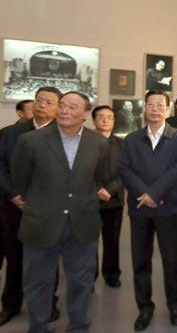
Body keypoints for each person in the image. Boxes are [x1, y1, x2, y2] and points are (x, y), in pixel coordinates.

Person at [11, 91, 110, 333]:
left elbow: (100, 178)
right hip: (41, 221)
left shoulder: (98, 142)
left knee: (81, 281)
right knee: (38, 282)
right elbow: (20, 178)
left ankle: (78, 325)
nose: (64, 110)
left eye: (72, 107)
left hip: (82, 222)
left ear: (85, 114)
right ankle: (39, 327)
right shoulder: (31, 140)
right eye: (62, 105)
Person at [118, 90, 177, 331]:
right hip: (140, 210)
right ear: (144, 109)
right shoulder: (131, 139)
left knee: (172, 261)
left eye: (160, 104)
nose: (155, 108)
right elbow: (124, 170)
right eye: (150, 104)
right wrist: (144, 195)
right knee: (140, 262)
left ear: (167, 109)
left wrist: (155, 194)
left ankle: (176, 305)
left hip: (170, 209)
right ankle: (144, 307)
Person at [0, 87, 62, 327]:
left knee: (47, 259)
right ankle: (11, 305)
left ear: (58, 108)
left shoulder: (64, 134)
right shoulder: (11, 133)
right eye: (39, 100)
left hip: (50, 210)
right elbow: (1, 166)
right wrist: (13, 195)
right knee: (14, 257)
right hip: (15, 207)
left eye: (49, 102)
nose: (42, 105)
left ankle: (48, 303)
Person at [91, 105, 124, 288]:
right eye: (101, 117)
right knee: (89, 242)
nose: (105, 120)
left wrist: (110, 190)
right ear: (94, 120)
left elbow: (126, 171)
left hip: (114, 200)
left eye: (109, 117)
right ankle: (90, 276)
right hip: (90, 200)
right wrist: (97, 189)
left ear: (114, 121)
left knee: (112, 241)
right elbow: (81, 170)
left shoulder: (122, 144)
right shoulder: (85, 142)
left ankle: (112, 274)